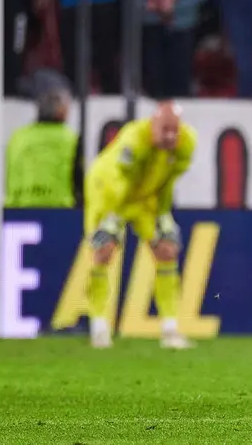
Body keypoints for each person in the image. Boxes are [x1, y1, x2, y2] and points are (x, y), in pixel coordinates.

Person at [83, 102, 196, 350]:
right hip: (107, 192)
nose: (170, 136)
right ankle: (99, 328)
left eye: (174, 130)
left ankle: (170, 329)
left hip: (144, 198)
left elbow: (167, 182)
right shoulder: (134, 140)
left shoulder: (186, 143)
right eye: (165, 130)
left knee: (167, 249)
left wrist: (163, 215)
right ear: (153, 124)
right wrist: (110, 219)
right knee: (104, 251)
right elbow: (118, 180)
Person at [5, 74, 80, 208]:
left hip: (17, 214)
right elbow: (78, 184)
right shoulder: (70, 139)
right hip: (60, 213)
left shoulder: (18, 137)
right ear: (61, 108)